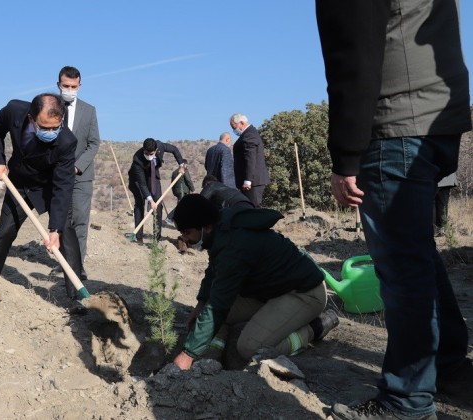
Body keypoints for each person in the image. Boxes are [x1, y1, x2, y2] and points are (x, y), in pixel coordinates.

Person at [317, 0, 472, 418]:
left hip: (395, 124)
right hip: (435, 118)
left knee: (403, 273)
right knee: (416, 256)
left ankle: (406, 404)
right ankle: (448, 367)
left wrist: (346, 156)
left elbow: (354, 56)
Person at [171, 194, 338, 370]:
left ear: (206, 226)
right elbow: (213, 270)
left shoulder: (234, 245)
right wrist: (200, 304)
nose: (186, 240)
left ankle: (316, 326)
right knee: (208, 312)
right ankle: (213, 357)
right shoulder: (221, 230)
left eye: (187, 232)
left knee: (250, 348)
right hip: (271, 292)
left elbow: (218, 305)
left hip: (304, 293)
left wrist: (188, 354)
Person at [0, 93, 86, 308]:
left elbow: (63, 187)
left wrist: (55, 229)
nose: (51, 133)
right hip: (19, 183)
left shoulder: (67, 142)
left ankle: (77, 295)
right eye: (45, 127)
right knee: (4, 231)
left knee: (66, 233)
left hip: (49, 186)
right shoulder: (14, 110)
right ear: (31, 118)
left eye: (55, 128)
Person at [58, 66, 101, 262]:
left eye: (73, 86)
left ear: (80, 85)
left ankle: (77, 264)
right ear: (58, 84)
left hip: (81, 177)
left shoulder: (89, 111)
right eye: (65, 85)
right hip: (57, 176)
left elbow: (94, 143)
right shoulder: (49, 106)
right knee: (60, 221)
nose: (69, 89)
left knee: (80, 221)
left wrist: (77, 166)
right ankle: (63, 261)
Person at [127, 138, 185, 244]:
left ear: (156, 150)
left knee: (158, 206)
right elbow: (142, 184)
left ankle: (156, 238)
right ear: (143, 149)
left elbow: (174, 150)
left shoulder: (160, 146)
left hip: (153, 176)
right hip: (137, 180)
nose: (149, 156)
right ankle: (139, 238)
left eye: (151, 153)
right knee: (140, 204)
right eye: (146, 153)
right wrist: (150, 200)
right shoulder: (137, 159)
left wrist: (181, 164)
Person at [229, 114, 270, 207]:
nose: (234, 130)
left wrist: (248, 180)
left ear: (242, 123)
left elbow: (250, 158)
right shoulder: (249, 134)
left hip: (252, 182)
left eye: (234, 127)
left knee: (253, 209)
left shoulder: (249, 135)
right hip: (251, 182)